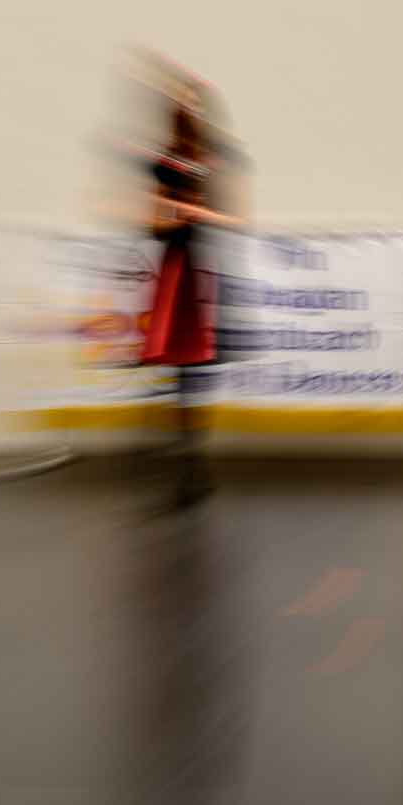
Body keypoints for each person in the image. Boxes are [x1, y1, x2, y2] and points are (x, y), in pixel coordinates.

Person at [140, 80, 245, 506]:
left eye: (194, 105)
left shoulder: (219, 159)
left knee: (197, 374)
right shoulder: (164, 160)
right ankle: (184, 463)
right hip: (176, 272)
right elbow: (152, 221)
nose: (188, 112)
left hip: (206, 270)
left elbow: (235, 217)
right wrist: (174, 216)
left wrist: (193, 212)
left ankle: (194, 463)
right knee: (179, 373)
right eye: (181, 105)